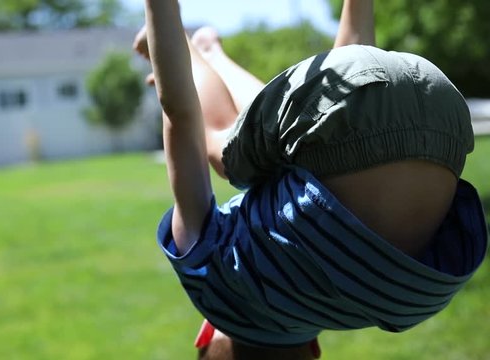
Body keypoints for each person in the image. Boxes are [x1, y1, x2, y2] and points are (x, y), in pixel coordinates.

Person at [137, 1, 488, 359]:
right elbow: (182, 116)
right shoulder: (215, 285)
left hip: (444, 121)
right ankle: (200, 51)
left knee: (277, 151)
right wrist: (164, 31)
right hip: (337, 116)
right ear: (207, 333)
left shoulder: (361, 304)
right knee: (226, 149)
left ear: (314, 348)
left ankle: (215, 50)